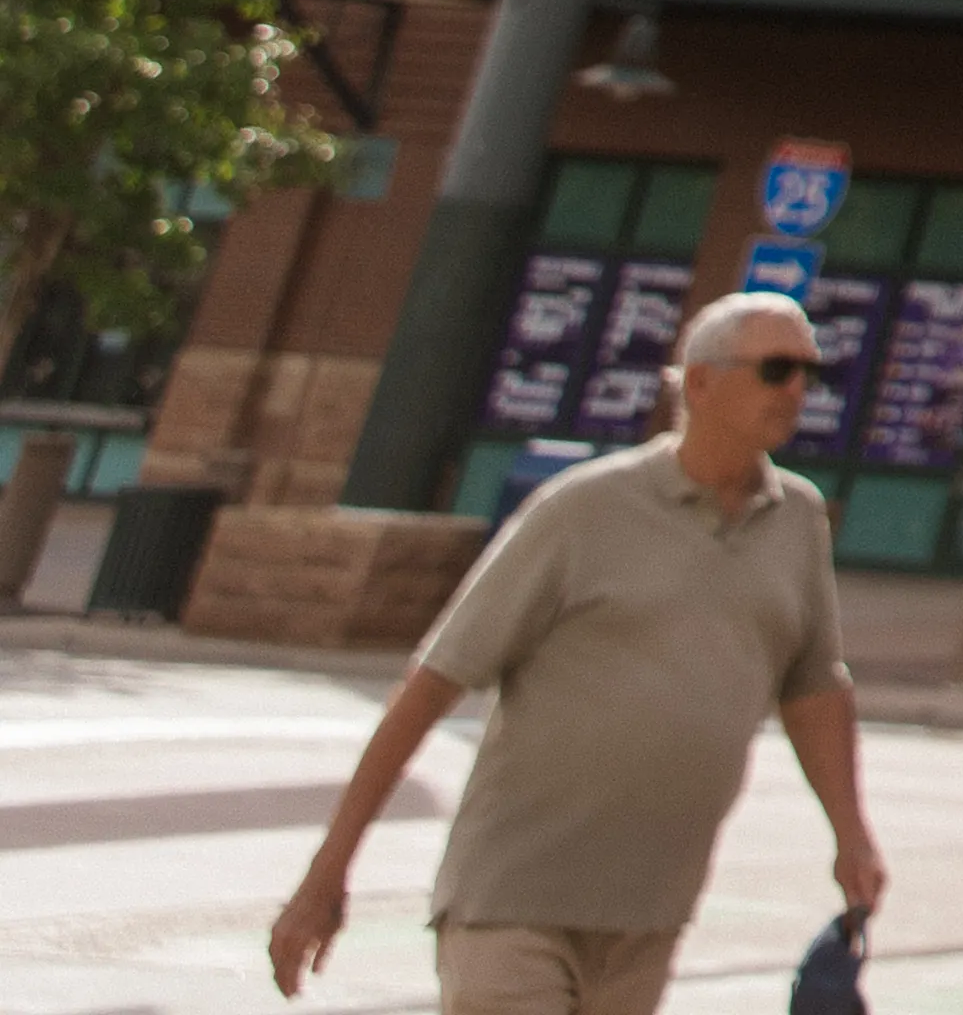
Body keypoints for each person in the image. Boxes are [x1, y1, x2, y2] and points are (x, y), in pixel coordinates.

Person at [268, 288, 886, 1009]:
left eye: (812, 372)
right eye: (778, 369)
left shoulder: (798, 521)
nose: (799, 389)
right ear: (700, 381)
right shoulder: (583, 509)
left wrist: (852, 835)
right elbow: (431, 684)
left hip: (650, 912)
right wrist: (327, 872)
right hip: (514, 899)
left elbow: (815, 691)